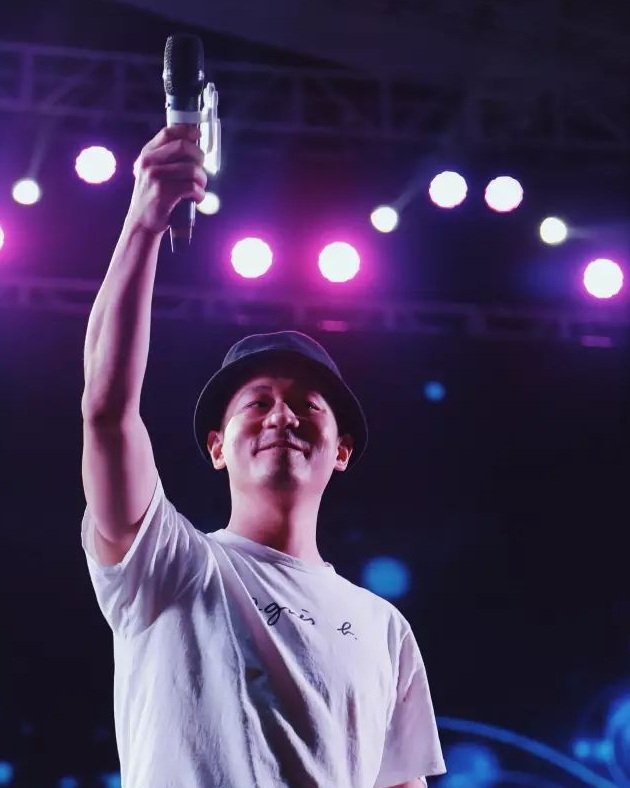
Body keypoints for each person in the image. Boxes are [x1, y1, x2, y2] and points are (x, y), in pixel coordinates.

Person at [80, 123, 447, 788]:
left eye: (307, 405)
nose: (282, 415)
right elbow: (106, 411)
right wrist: (143, 223)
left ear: (342, 450)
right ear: (216, 447)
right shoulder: (169, 565)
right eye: (257, 403)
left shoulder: (385, 629)